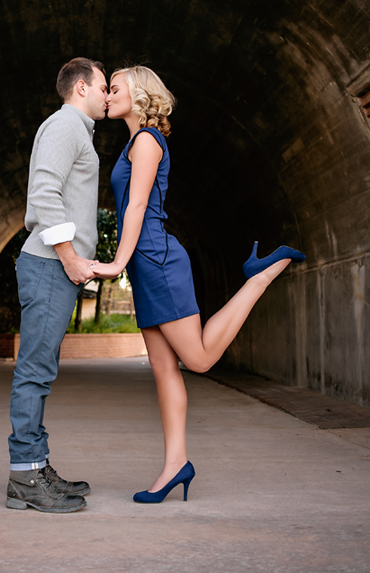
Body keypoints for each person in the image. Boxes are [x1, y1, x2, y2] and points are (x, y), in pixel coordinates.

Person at [91, 65, 305, 503]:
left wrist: (116, 264)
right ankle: (176, 465)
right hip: (146, 265)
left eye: (114, 88)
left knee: (200, 359)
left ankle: (258, 278)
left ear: (138, 93)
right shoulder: (133, 143)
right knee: (163, 368)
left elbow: (136, 209)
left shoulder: (147, 140)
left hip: (157, 259)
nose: (107, 95)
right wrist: (127, 266)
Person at [5, 57, 106, 514]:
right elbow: (43, 192)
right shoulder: (66, 126)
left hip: (54, 267)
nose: (107, 96)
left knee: (41, 371)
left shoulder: (76, 130)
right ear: (81, 87)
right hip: (50, 265)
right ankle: (25, 477)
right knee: (34, 371)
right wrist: (69, 256)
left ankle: (37, 464)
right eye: (102, 86)